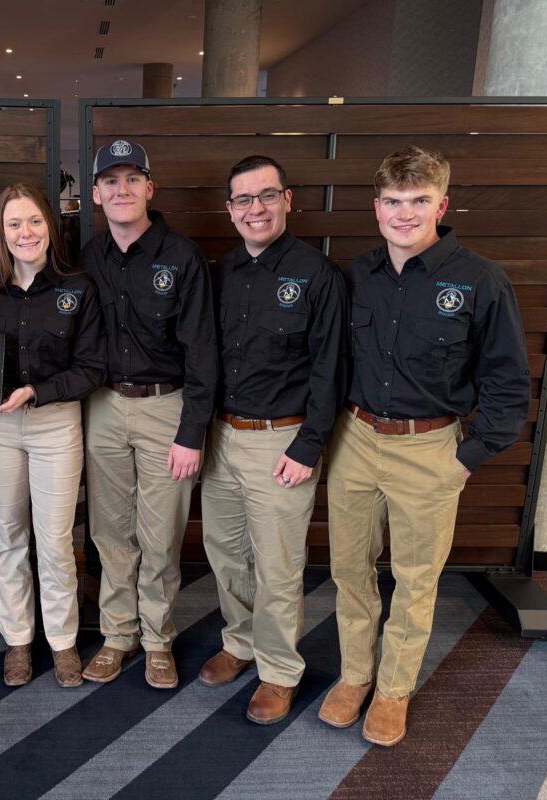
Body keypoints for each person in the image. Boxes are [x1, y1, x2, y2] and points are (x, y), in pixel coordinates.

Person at [319, 146, 530, 746]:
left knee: (415, 580)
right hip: (356, 439)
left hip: (431, 447)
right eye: (392, 201)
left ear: (442, 203)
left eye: (418, 201)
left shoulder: (480, 279)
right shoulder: (356, 276)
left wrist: (467, 458)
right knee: (349, 571)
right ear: (376, 207)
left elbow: (509, 381)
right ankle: (357, 676)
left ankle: (393, 690)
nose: (404, 214)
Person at [199, 156, 348, 723]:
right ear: (230, 209)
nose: (254, 209)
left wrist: (307, 446)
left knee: (279, 565)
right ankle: (239, 642)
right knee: (226, 553)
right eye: (243, 200)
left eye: (266, 196)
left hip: (280, 443)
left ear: (288, 200)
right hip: (221, 437)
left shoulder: (317, 274)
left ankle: (279, 671)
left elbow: (329, 369)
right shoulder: (225, 270)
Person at [0, 184, 105, 687]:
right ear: (1, 233)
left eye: (34, 221)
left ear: (49, 227)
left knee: (55, 542)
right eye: (14, 224)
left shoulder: (78, 287)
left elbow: (92, 368)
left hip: (55, 423)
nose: (25, 232)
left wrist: (35, 390)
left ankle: (61, 643)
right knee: (9, 538)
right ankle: (17, 640)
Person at [79, 140, 218, 689]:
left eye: (132, 179)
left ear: (150, 188)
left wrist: (191, 432)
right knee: (112, 533)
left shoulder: (182, 257)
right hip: (103, 407)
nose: (122, 190)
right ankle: (117, 635)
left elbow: (203, 352)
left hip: (167, 407)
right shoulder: (87, 257)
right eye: (110, 181)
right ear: (95, 194)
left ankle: (158, 637)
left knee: (160, 536)